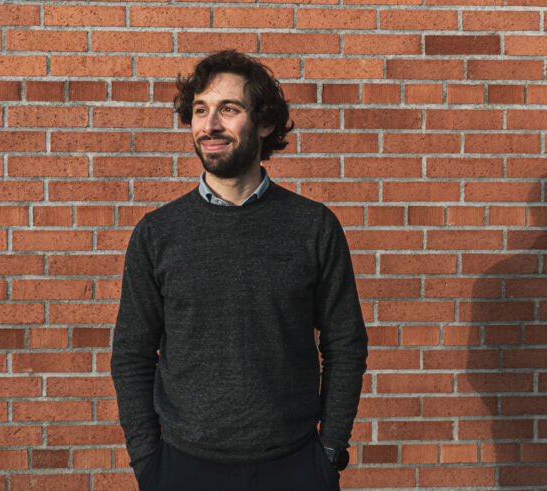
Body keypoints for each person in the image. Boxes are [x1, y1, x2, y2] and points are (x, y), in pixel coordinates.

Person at [111, 50, 368, 491]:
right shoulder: (158, 233)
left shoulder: (312, 226)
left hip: (294, 465)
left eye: (228, 110)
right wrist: (147, 463)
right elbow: (131, 356)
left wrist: (329, 451)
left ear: (265, 123)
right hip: (183, 467)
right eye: (199, 110)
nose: (210, 125)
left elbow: (346, 344)